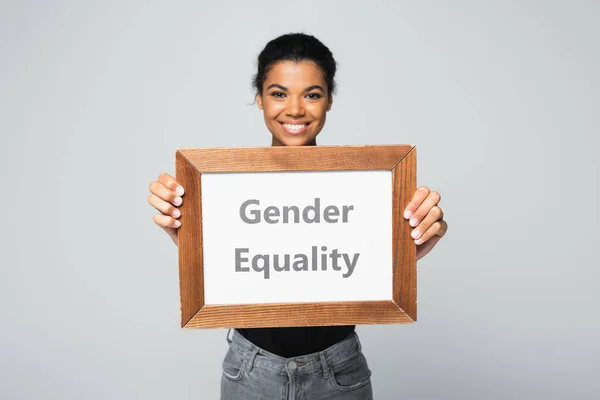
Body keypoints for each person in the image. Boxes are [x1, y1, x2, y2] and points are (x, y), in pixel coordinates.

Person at [148, 33, 448, 399]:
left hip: (339, 372)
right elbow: (234, 269)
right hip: (250, 372)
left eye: (312, 94)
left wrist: (409, 246)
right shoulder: (225, 190)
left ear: (329, 100)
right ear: (259, 97)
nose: (294, 109)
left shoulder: (363, 188)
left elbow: (368, 264)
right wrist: (187, 232)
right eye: (278, 93)